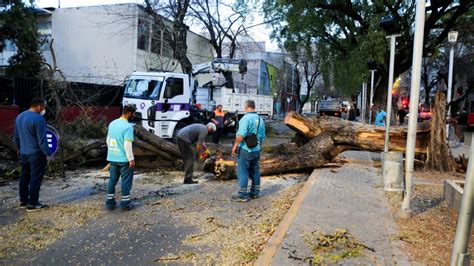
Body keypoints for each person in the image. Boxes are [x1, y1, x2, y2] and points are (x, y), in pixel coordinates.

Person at [14, 97, 52, 211]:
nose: (43, 110)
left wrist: (18, 148)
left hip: (24, 153)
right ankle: (33, 203)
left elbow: (16, 136)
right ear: (39, 106)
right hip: (36, 154)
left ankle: (23, 200)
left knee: (24, 176)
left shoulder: (19, 117)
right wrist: (48, 153)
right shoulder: (39, 119)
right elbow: (42, 140)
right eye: (43, 107)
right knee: (35, 178)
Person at [231, 100, 266, 202]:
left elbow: (241, 135)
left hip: (246, 149)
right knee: (255, 170)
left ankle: (242, 195)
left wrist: (235, 146)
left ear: (246, 107)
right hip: (257, 150)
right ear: (254, 107)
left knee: (243, 171)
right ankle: (255, 193)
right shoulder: (261, 119)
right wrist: (258, 146)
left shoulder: (245, 118)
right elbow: (263, 137)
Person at [105, 105, 136, 211]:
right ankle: (125, 203)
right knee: (126, 181)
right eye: (133, 113)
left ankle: (110, 203)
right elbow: (127, 145)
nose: (134, 115)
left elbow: (108, 141)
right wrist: (131, 159)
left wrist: (113, 153)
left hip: (112, 157)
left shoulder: (112, 124)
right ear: (129, 113)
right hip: (124, 159)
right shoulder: (128, 127)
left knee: (112, 180)